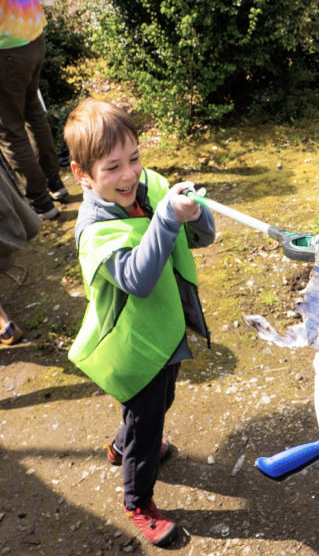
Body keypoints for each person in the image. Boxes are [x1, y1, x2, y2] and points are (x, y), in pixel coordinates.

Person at [63, 98, 215, 547]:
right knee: (147, 420)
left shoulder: (148, 187)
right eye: (112, 167)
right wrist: (166, 217)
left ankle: (121, 445)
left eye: (134, 159)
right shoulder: (95, 233)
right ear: (82, 175)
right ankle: (137, 500)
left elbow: (199, 236)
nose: (129, 175)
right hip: (134, 349)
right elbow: (138, 279)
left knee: (159, 402)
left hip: (163, 334)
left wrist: (193, 211)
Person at [0, 0, 67, 220]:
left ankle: (41, 202)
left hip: (7, 46)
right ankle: (56, 183)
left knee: (11, 128)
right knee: (34, 113)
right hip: (32, 31)